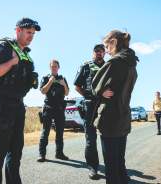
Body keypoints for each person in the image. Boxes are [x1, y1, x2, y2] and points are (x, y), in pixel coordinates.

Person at [0, 17, 41, 184]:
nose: (31, 36)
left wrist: (31, 80)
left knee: (16, 150)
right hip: (2, 105)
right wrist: (11, 62)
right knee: (0, 150)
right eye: (28, 32)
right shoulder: (4, 46)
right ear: (18, 30)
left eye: (33, 33)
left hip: (18, 105)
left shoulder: (26, 54)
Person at [92, 30, 138, 184]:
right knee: (119, 163)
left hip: (110, 118)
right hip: (123, 116)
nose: (106, 50)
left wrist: (100, 91)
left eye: (107, 45)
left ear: (114, 43)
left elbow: (95, 85)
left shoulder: (114, 62)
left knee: (111, 168)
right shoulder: (132, 63)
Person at [73, 44, 105, 179]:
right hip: (90, 106)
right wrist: (87, 96)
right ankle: (93, 167)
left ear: (104, 53)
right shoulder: (85, 66)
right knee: (91, 140)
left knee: (109, 138)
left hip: (105, 106)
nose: (99, 53)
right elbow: (77, 86)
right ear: (93, 52)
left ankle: (115, 167)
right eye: (96, 51)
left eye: (101, 51)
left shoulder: (108, 66)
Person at [37, 59, 70, 162]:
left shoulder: (62, 78)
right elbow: (43, 91)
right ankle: (42, 155)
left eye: (55, 66)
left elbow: (67, 93)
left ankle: (59, 154)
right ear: (50, 67)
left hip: (59, 108)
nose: (54, 68)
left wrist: (64, 84)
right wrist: (50, 82)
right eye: (52, 66)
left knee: (60, 133)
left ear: (58, 67)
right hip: (48, 108)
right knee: (45, 132)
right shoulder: (46, 78)